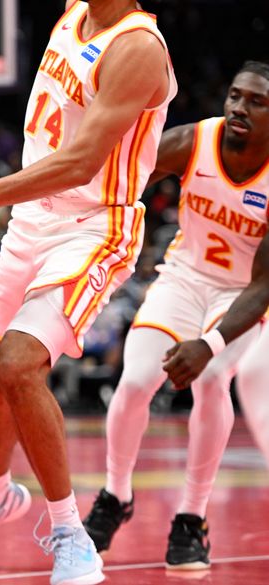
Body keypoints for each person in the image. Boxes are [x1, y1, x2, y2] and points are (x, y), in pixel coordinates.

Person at [0, 2, 176, 584]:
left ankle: (71, 534)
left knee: (20, 364)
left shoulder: (138, 49)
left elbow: (82, 163)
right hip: (32, 219)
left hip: (94, 226)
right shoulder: (72, 14)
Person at [80, 60, 269, 570]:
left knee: (212, 382)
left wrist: (208, 345)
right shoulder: (194, 141)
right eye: (235, 95)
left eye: (256, 101)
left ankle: (192, 517)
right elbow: (120, 174)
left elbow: (264, 286)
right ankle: (115, 496)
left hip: (244, 295)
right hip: (184, 279)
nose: (239, 108)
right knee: (136, 380)